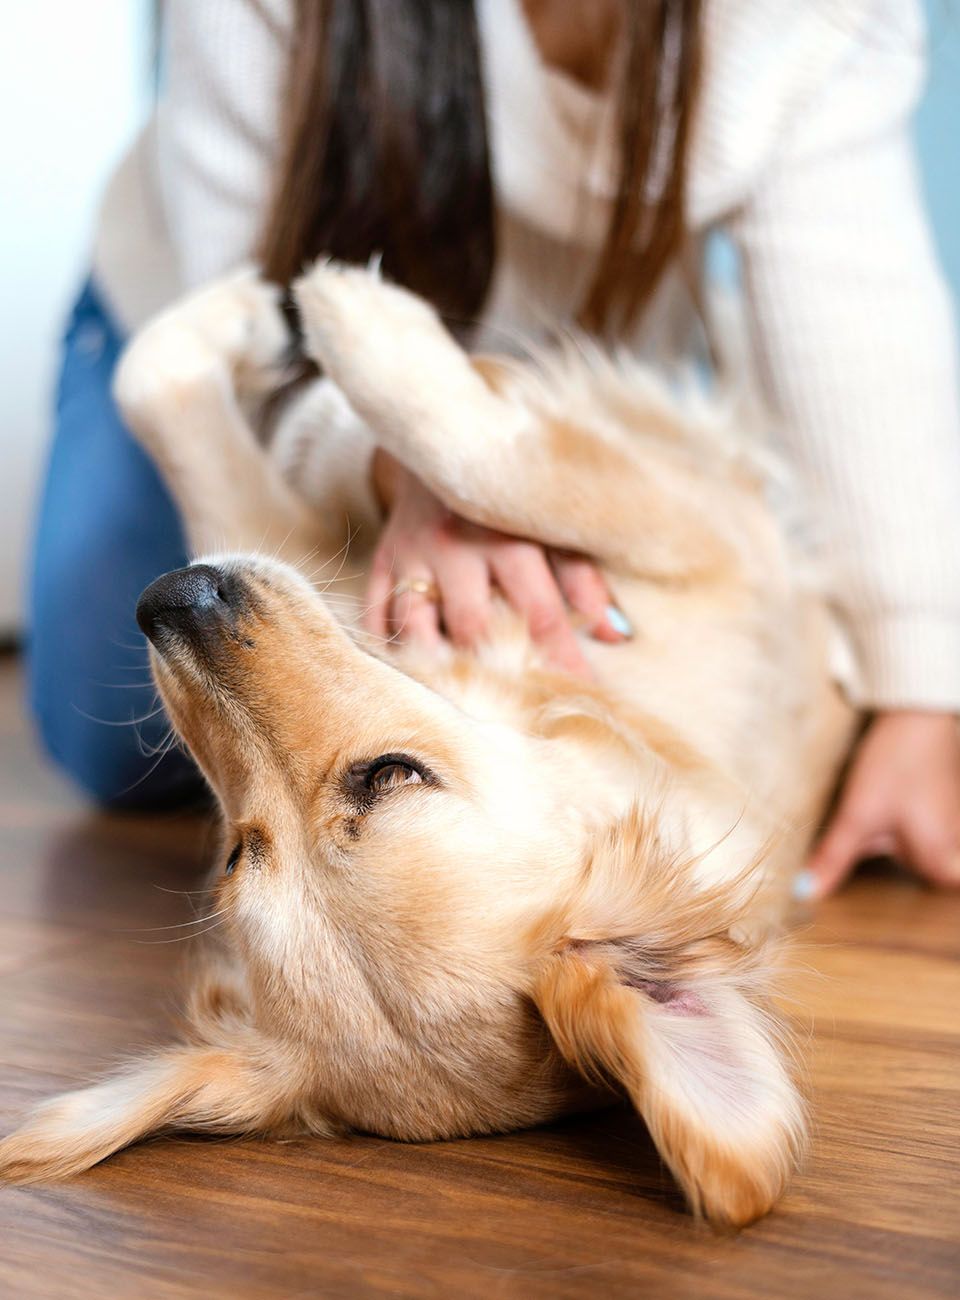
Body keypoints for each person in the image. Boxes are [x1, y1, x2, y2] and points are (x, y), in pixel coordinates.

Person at [28, 0, 960, 897]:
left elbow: (860, 325)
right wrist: (415, 460)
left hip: (579, 328)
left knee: (195, 692)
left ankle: (587, 417)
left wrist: (922, 696)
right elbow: (270, 337)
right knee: (108, 744)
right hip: (227, 314)